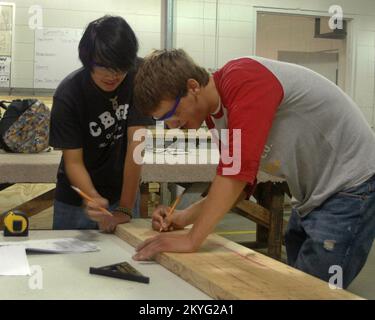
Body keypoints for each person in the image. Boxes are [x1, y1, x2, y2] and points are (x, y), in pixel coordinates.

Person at [132, 48, 375, 288]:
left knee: (312, 292)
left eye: (171, 114)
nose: (172, 125)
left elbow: (234, 176)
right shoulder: (217, 118)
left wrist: (191, 239)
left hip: (351, 185)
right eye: (163, 121)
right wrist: (183, 218)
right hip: (314, 195)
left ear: (193, 87)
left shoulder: (244, 79)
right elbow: (237, 188)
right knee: (298, 284)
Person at [49, 16, 153, 232]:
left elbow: (137, 147)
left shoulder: (139, 76)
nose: (113, 75)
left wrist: (124, 207)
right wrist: (92, 197)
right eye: (104, 66)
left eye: (121, 67)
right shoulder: (69, 94)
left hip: (123, 193)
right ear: (88, 61)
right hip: (76, 200)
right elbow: (74, 162)